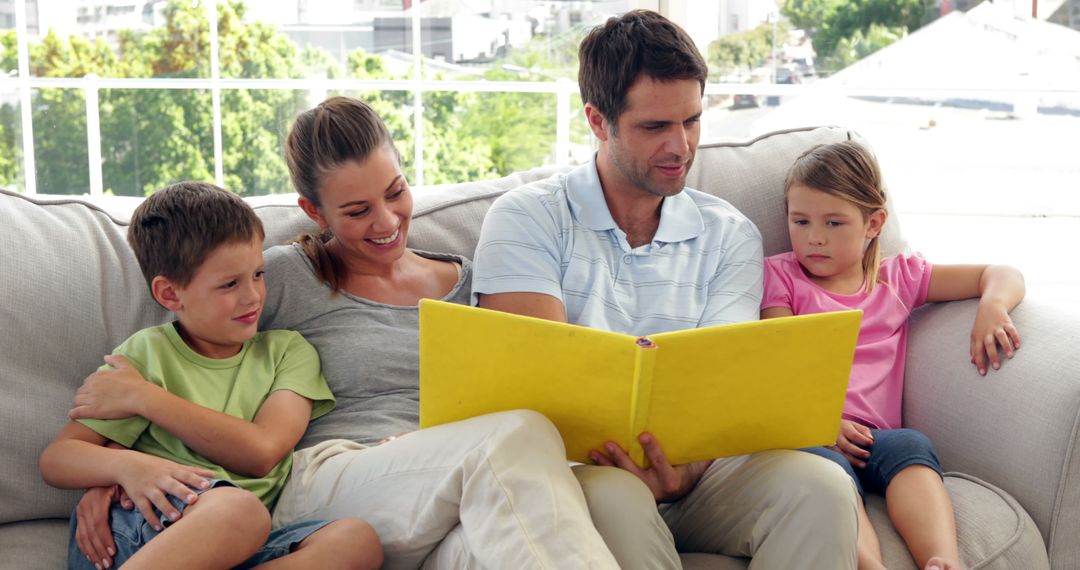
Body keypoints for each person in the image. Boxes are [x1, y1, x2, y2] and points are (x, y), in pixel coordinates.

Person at [70, 97, 620, 569]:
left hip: (446, 492)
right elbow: (188, 338)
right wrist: (115, 471)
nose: (385, 222)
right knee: (518, 434)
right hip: (332, 479)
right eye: (356, 210)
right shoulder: (280, 276)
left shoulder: (474, 282)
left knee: (504, 536)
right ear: (315, 212)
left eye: (396, 192)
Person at [471, 9, 859, 569]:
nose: (680, 146)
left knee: (821, 486)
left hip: (701, 472)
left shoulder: (730, 234)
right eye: (655, 127)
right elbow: (537, 394)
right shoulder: (526, 219)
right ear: (598, 121)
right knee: (618, 495)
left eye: (693, 121)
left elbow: (722, 383)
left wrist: (687, 469)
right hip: (577, 474)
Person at [40, 182, 382, 570]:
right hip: (147, 526)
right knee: (240, 511)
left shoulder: (287, 352)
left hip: (244, 538)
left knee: (356, 540)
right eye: (229, 284)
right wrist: (127, 467)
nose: (252, 295)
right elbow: (58, 458)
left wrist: (146, 399)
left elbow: (263, 452)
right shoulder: (144, 357)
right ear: (170, 295)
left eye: (257, 274)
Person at [760, 140, 1025, 570]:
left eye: (833, 223)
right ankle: (870, 565)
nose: (814, 238)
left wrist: (993, 306)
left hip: (879, 439)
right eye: (800, 221)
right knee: (826, 478)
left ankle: (944, 561)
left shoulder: (897, 278)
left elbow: (1001, 273)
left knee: (912, 445)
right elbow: (780, 361)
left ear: (874, 223)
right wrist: (821, 423)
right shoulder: (781, 277)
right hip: (810, 435)